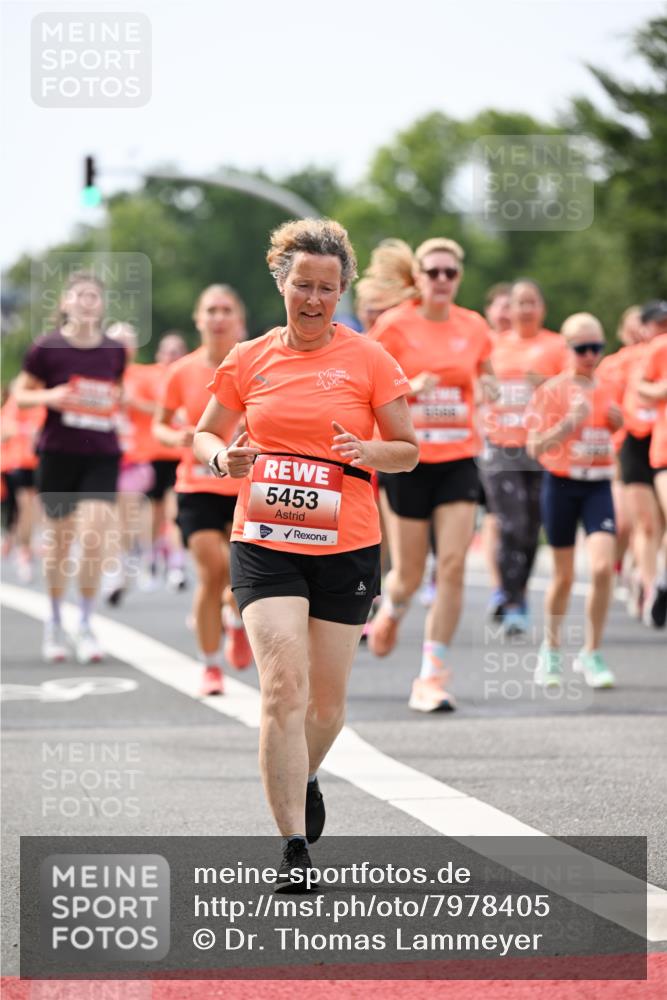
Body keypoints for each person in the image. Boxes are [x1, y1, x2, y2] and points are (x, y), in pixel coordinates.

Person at [194, 218, 417, 888]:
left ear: (341, 290)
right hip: (265, 538)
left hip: (346, 543)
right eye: (302, 285)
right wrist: (222, 459)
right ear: (281, 284)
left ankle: (306, 771)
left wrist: (368, 450)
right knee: (282, 688)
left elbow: (407, 451)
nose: (313, 299)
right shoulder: (249, 358)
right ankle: (293, 847)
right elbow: (205, 433)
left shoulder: (370, 359)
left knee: (324, 707)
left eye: (325, 287)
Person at [367, 237, 495, 713]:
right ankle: (393, 606)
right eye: (433, 272)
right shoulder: (394, 326)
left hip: (459, 458)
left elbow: (485, 374)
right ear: (417, 277)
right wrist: (409, 389)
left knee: (453, 565)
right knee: (409, 574)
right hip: (408, 460)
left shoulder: (474, 326)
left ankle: (432, 675)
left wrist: (491, 389)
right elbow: (368, 386)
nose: (442, 280)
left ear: (458, 278)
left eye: (450, 273)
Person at [13, 271, 126, 662]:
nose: (87, 301)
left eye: (94, 295)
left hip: (102, 454)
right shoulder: (46, 348)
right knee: (60, 543)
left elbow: (116, 391)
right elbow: (20, 394)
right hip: (58, 454)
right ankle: (55, 621)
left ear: (102, 304)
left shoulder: (115, 350)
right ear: (64, 303)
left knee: (93, 538)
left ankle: (86, 623)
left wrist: (109, 403)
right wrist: (52, 396)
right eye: (80, 295)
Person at [154, 286, 252, 696]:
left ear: (239, 320)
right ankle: (211, 666)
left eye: (226, 310)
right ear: (198, 319)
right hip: (196, 484)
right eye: (210, 310)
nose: (218, 317)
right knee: (212, 572)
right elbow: (159, 425)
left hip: (246, 485)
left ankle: (236, 617)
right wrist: (178, 437)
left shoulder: (255, 364)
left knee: (238, 575)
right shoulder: (182, 371)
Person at [526, 313, 623, 688]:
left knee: (601, 568)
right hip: (562, 484)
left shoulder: (609, 385)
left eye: (597, 347)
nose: (590, 356)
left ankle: (592, 652)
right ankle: (551, 649)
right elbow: (535, 447)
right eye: (582, 349)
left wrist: (617, 423)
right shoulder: (552, 390)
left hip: (598, 485)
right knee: (564, 576)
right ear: (567, 349)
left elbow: (620, 431)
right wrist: (568, 423)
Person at [479, 279, 567, 634]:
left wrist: (546, 384)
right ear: (510, 309)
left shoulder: (557, 346)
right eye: (520, 303)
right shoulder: (493, 345)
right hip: (501, 446)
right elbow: (475, 384)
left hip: (543, 448)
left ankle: (518, 593)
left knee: (531, 528)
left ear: (542, 308)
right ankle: (511, 600)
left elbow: (577, 392)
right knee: (510, 523)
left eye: (532, 302)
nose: (526, 309)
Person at [616, 301, 665, 621]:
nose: (661, 329)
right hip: (634, 442)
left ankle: (651, 578)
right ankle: (650, 589)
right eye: (656, 323)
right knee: (645, 523)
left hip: (661, 439)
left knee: (661, 521)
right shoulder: (621, 361)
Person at [143, 332, 189, 588]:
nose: (172, 355)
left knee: (174, 511)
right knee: (155, 512)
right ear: (159, 354)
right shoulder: (149, 376)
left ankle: (176, 563)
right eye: (168, 350)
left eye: (177, 350)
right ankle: (151, 557)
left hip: (180, 454)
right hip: (153, 453)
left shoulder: (187, 374)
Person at [480, 282, 513, 617]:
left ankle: (505, 585)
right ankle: (498, 586)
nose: (506, 312)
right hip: (479, 440)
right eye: (500, 306)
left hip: (514, 445)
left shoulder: (528, 346)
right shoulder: (480, 341)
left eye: (510, 306)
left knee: (502, 517)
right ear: (489, 310)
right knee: (490, 516)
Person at [637, 301, 667, 627]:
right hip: (662, 449)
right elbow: (639, 386)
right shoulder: (660, 348)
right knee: (649, 524)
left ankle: (661, 582)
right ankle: (651, 584)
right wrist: (661, 390)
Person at [0, 382, 45, 582]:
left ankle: (19, 543)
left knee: (30, 508)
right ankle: (22, 550)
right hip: (16, 462)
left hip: (38, 463)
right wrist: (24, 430)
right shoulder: (14, 402)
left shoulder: (43, 400)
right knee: (21, 506)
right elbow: (5, 431)